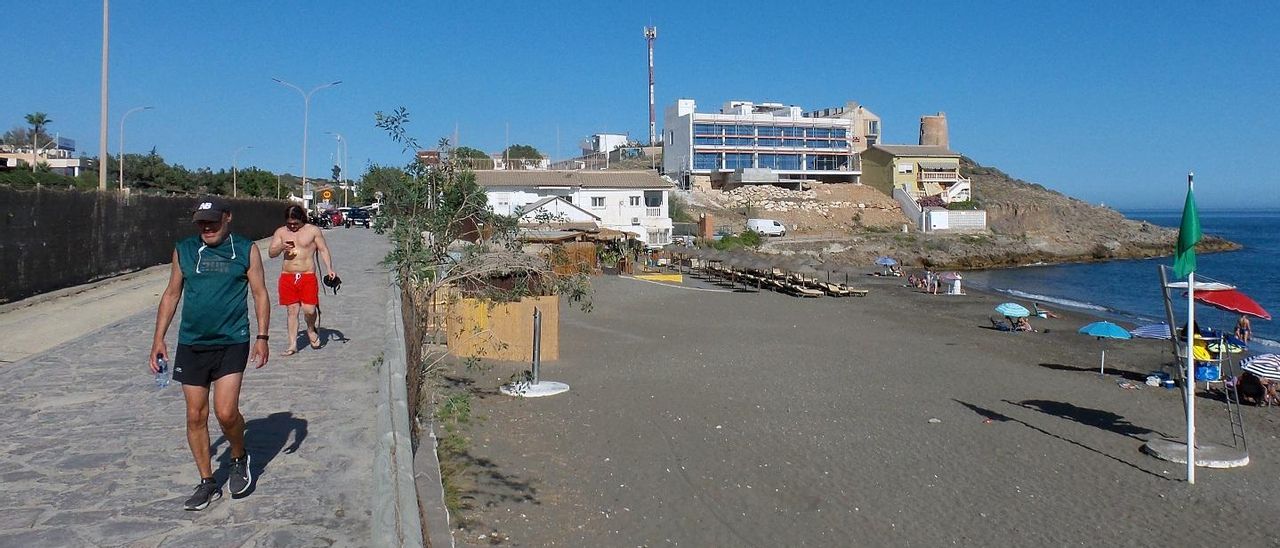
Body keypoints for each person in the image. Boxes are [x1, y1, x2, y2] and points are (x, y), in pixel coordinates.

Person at [150, 197, 271, 511]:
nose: (207, 227)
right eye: (202, 222)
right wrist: (159, 339)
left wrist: (262, 336)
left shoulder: (245, 250)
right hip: (192, 343)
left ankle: (238, 455)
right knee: (195, 415)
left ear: (227, 218)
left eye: (213, 221)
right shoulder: (185, 250)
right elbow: (172, 293)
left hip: (232, 340)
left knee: (226, 412)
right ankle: (207, 482)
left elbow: (260, 293)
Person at [268, 205, 338, 355]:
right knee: (292, 310)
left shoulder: (312, 231)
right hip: (288, 275)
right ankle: (292, 344)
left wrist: (329, 268)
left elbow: (323, 249)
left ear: (302, 219)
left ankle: (311, 328)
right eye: (289, 223)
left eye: (295, 223)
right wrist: (280, 247)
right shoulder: (280, 232)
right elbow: (271, 253)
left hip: (307, 275)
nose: (292, 226)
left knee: (309, 310)